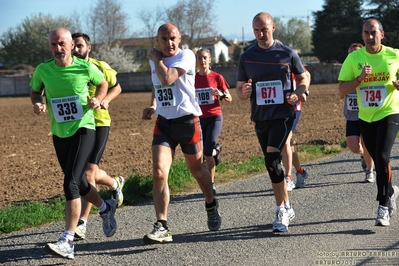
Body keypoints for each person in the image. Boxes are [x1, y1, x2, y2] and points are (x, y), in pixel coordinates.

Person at [30, 28, 117, 259]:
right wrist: (37, 103)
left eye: (61, 44)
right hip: (59, 132)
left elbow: (103, 84)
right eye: (53, 45)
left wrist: (99, 99)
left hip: (84, 128)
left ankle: (68, 240)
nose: (58, 49)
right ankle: (106, 207)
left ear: (70, 45)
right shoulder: (43, 70)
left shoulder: (85, 67)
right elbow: (34, 91)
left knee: (70, 183)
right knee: (79, 181)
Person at [141, 23, 222, 244]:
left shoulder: (186, 56)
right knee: (159, 172)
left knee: (197, 170)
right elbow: (158, 84)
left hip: (187, 123)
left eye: (173, 38)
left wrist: (157, 60)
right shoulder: (154, 60)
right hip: (164, 124)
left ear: (180, 38)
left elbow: (167, 77)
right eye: (164, 39)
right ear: (157, 40)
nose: (170, 43)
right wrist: (154, 105)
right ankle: (162, 225)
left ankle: (210, 201)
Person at [236, 12, 310, 233]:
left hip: (283, 114)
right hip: (260, 117)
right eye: (256, 30)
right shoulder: (247, 56)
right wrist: (244, 91)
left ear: (273, 28)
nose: (260, 34)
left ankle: (280, 211)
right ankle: (287, 205)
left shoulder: (287, 53)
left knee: (271, 158)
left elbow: (305, 77)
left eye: (264, 29)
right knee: (271, 165)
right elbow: (239, 89)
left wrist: (298, 92)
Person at [338, 18, 399, 226]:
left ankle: (383, 206)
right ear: (362, 36)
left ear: (382, 34)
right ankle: (391, 190)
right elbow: (341, 91)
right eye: (366, 33)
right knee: (377, 158)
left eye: (373, 33)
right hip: (365, 116)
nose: (370, 37)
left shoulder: (394, 54)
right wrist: (359, 79)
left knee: (382, 157)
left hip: (390, 111)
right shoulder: (354, 58)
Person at [71, 32, 124, 241]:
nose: (76, 49)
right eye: (73, 45)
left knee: (87, 173)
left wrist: (106, 99)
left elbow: (117, 87)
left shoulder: (99, 66)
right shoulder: (68, 68)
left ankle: (82, 224)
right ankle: (114, 184)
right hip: (78, 124)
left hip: (99, 122)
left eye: (80, 46)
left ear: (89, 48)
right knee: (88, 172)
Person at [194, 48, 232, 195]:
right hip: (198, 119)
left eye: (204, 58)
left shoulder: (217, 77)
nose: (202, 61)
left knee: (207, 151)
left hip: (215, 117)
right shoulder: (192, 79)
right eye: (199, 58)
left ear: (210, 60)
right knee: (201, 154)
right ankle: (216, 151)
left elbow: (229, 98)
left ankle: (211, 184)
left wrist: (220, 94)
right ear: (196, 61)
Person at [339, 42, 375, 183]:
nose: (352, 56)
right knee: (353, 146)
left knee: (366, 143)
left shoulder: (368, 70)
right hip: (352, 115)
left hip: (367, 114)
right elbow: (341, 89)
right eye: (350, 54)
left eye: (355, 53)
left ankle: (370, 171)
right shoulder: (347, 70)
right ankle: (364, 156)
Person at [282, 69, 310, 190]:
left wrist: (305, 92)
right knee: (289, 145)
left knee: (285, 142)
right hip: (276, 109)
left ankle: (288, 177)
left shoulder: (290, 58)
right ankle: (300, 171)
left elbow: (306, 74)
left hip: (293, 108)